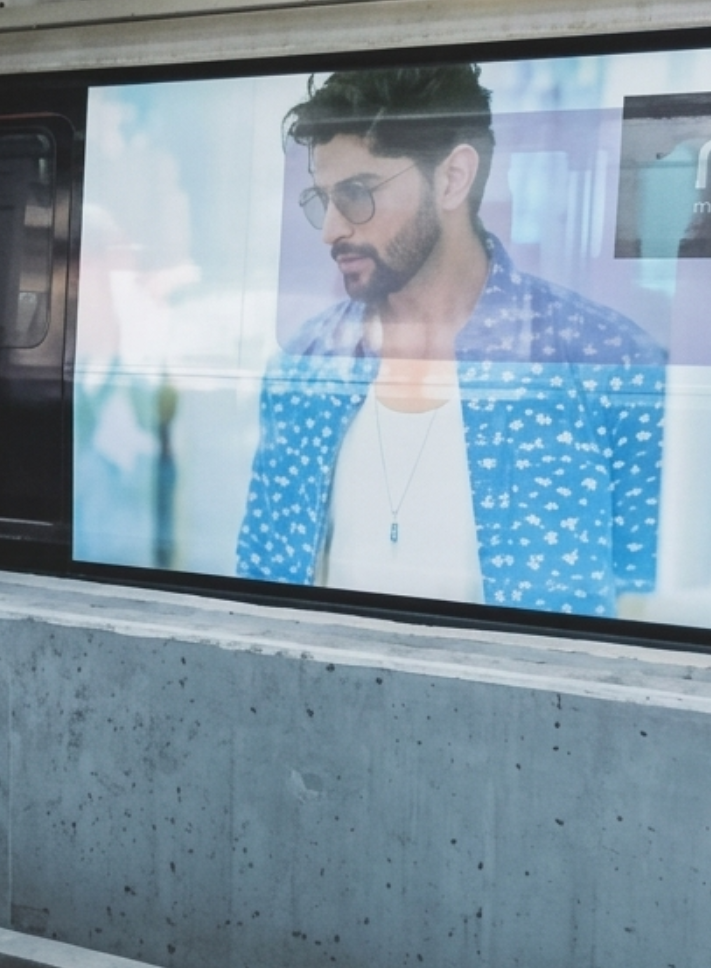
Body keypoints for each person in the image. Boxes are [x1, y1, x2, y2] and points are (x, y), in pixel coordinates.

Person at [235, 64, 666, 617]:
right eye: (322, 199)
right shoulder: (305, 364)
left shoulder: (604, 361)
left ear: (452, 178)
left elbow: (647, 621)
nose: (331, 230)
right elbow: (257, 592)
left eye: (358, 194)